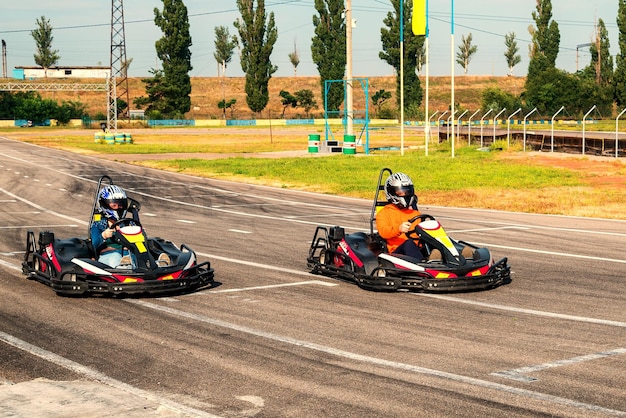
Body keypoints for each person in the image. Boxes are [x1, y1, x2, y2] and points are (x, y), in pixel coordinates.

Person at [375, 172, 425, 260]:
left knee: (438, 243)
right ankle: (425, 267)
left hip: (417, 250)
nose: (405, 194)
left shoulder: (415, 214)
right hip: (396, 253)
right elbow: (383, 232)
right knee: (408, 244)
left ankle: (444, 263)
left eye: (407, 191)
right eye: (401, 192)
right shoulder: (384, 213)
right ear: (392, 193)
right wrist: (399, 229)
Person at [90, 184, 137, 268]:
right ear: (105, 205)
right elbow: (94, 244)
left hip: (128, 254)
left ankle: (157, 264)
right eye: (114, 205)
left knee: (134, 258)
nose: (118, 208)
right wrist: (103, 236)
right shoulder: (99, 225)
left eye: (120, 205)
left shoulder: (128, 223)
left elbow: (142, 242)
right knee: (116, 258)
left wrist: (135, 233)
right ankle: (124, 268)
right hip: (108, 255)